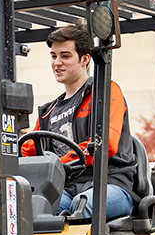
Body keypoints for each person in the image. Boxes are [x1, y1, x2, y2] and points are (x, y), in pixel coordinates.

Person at [21, 24, 138, 219]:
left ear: (84, 59)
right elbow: (27, 151)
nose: (57, 62)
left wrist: (57, 163)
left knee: (82, 206)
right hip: (66, 187)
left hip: (109, 183)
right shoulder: (48, 112)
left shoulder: (105, 92)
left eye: (65, 56)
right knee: (30, 207)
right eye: (53, 56)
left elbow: (105, 144)